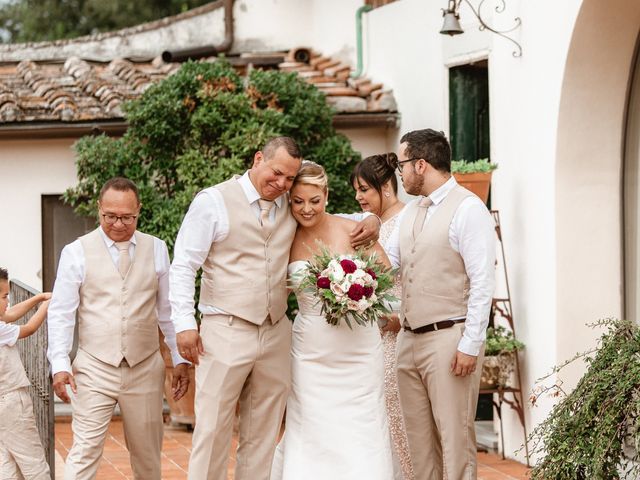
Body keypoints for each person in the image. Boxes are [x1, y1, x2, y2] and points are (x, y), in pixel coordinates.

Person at [170, 137, 381, 480]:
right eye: (277, 173)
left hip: (275, 331)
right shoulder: (213, 202)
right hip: (225, 329)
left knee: (263, 434)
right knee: (212, 431)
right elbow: (183, 265)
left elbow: (329, 216)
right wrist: (183, 323)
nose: (282, 184)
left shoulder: (290, 204)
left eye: (289, 178)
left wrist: (373, 220)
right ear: (257, 159)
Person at [47, 177, 190, 480]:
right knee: (84, 452)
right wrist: (59, 363)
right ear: (99, 209)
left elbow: (167, 310)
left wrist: (179, 357)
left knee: (148, 457)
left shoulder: (157, 249)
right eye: (110, 216)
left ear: (139, 211)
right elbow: (61, 312)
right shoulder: (77, 251)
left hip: (144, 367)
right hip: (95, 367)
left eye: (127, 217)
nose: (118, 223)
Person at [271, 160, 394, 480]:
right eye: (298, 201)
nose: (306, 209)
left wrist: (362, 293)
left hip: (359, 349)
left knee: (362, 422)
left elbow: (386, 274)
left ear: (326, 195)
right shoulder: (283, 237)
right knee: (310, 422)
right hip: (311, 350)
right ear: (288, 200)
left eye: (314, 200)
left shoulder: (351, 229)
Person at [386, 129, 496, 480]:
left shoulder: (468, 209)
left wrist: (470, 344)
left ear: (420, 164)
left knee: (455, 441)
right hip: (409, 340)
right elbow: (386, 264)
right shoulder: (410, 213)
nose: (399, 173)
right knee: (420, 444)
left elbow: (483, 282)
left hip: (450, 339)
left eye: (401, 164)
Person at [351, 152, 414, 480]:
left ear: (385, 187)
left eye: (364, 189)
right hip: (371, 334)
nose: (359, 197)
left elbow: (420, 274)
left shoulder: (409, 220)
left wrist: (402, 317)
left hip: (399, 330)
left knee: (397, 407)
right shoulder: (367, 223)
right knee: (378, 410)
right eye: (356, 191)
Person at [0, 267, 51, 480]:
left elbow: (9, 314)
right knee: (35, 465)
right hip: (12, 401)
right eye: (4, 296)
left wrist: (37, 298)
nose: (8, 301)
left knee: (7, 464)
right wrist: (47, 305)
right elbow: (29, 328)